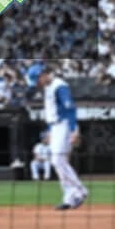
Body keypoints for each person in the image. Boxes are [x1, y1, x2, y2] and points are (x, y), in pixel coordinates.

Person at [40, 68, 88, 210]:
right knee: (59, 162)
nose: (38, 83)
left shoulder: (59, 86)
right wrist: (50, 130)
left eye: (38, 79)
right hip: (55, 127)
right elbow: (52, 111)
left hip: (64, 125)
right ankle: (69, 198)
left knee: (57, 160)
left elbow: (70, 109)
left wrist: (73, 130)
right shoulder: (48, 87)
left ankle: (80, 190)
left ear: (44, 74)